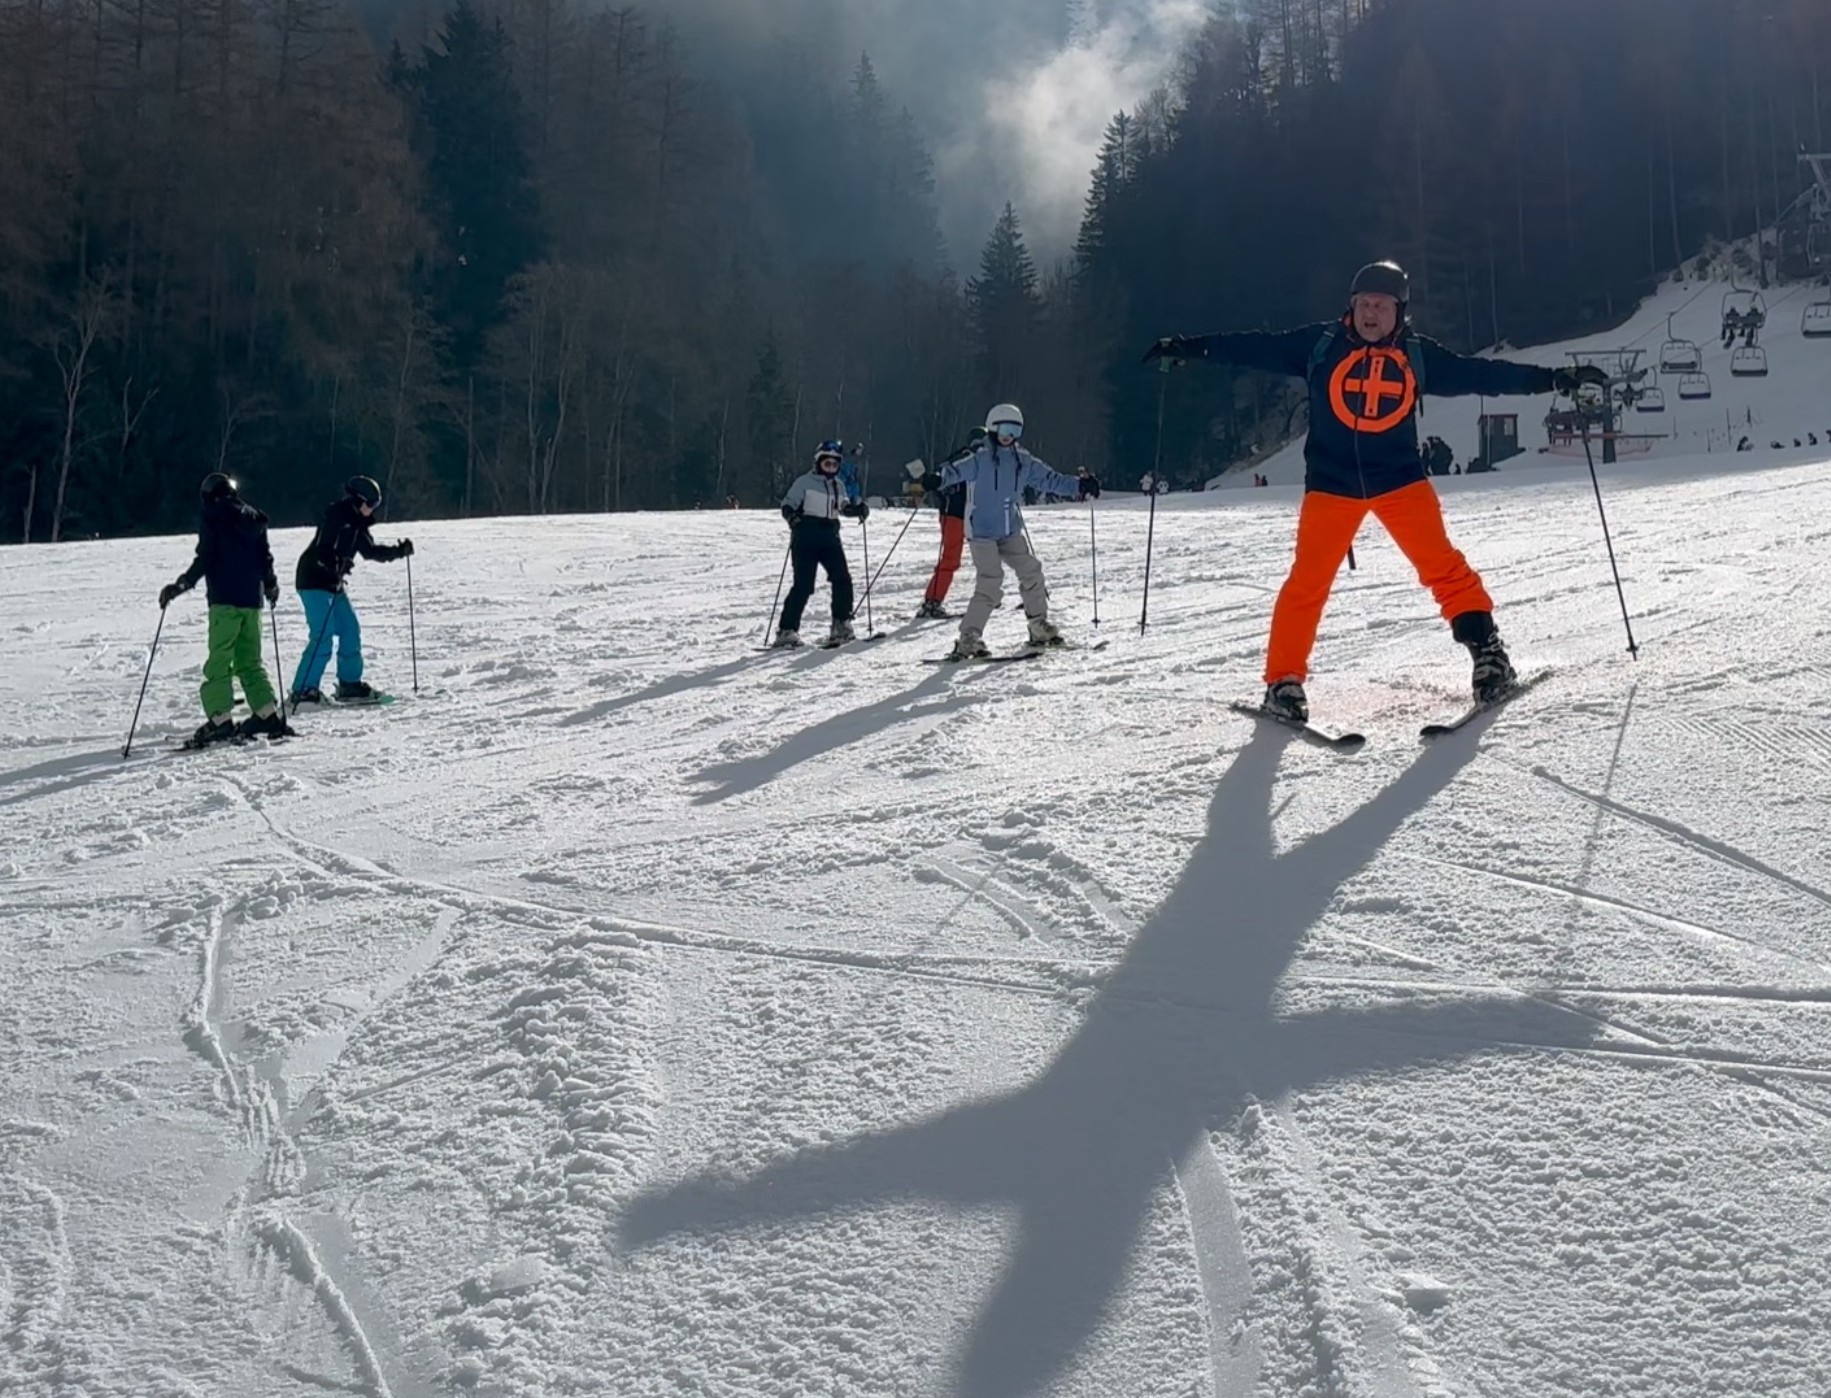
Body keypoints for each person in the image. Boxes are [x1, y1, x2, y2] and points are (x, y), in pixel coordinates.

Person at [1145, 260, 1606, 721]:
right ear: (1351, 307)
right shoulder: (1320, 346)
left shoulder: (1418, 357)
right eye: (1363, 304)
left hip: (1399, 480)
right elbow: (1255, 349)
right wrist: (1191, 349)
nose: (1370, 313)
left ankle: (1489, 655)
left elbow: (1481, 375)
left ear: (1399, 311)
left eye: (1381, 306)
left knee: (1443, 568)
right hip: (1331, 485)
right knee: (1307, 583)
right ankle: (1283, 682)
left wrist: (1551, 380)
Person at [921, 404, 1095, 662]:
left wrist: (1079, 485)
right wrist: (937, 478)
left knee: (1031, 570)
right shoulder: (979, 458)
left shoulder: (1022, 460)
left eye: (1015, 430)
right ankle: (969, 637)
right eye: (1004, 429)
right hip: (981, 532)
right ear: (993, 428)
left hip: (1009, 529)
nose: (1008, 435)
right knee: (990, 582)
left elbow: (1050, 479)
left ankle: (1038, 625)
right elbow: (955, 471)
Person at [158, 473, 292, 747]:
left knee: (220, 661)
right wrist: (271, 585)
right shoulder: (255, 517)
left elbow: (206, 557)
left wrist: (181, 585)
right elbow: (264, 557)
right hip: (252, 603)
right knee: (250, 660)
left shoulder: (213, 515)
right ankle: (266, 713)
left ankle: (220, 719)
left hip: (224, 601)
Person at [289, 475, 413, 707]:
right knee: (323, 635)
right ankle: (303, 690)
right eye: (372, 504)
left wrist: (399, 551)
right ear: (359, 501)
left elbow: (370, 551)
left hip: (332, 583)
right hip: (312, 579)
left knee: (349, 628)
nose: (373, 509)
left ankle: (349, 684)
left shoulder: (357, 524)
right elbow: (323, 549)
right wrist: (336, 564)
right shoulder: (336, 516)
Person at [773, 440, 869, 648]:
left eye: (835, 466)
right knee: (804, 585)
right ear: (818, 463)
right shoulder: (804, 483)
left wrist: (856, 510)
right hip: (806, 536)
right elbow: (788, 504)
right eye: (827, 465)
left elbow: (842, 506)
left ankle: (841, 624)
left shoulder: (838, 485)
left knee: (842, 578)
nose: (831, 469)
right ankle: (786, 630)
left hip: (829, 535)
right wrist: (792, 516)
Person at [916, 428, 981, 621]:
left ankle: (987, 595)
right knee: (952, 559)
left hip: (963, 514)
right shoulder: (966, 460)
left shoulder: (964, 459)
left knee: (986, 555)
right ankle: (932, 601)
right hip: (956, 515)